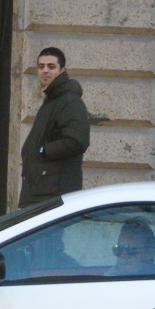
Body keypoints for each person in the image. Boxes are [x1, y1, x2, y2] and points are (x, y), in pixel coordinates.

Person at [19, 47, 90, 206]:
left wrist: (44, 151)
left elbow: (77, 141)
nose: (45, 71)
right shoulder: (53, 99)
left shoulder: (68, 101)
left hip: (52, 193)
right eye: (41, 66)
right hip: (41, 190)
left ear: (62, 70)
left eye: (51, 67)